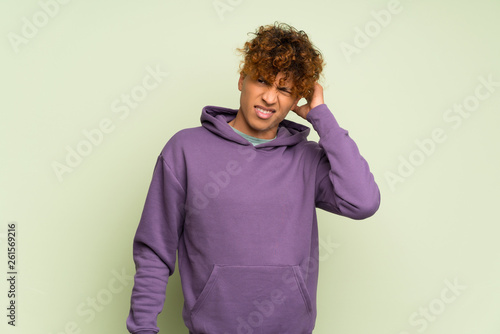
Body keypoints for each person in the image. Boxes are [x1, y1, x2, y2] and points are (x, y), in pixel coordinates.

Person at [126, 22, 380, 334]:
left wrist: (321, 116)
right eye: (262, 81)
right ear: (242, 79)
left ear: (295, 99)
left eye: (284, 89)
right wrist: (142, 329)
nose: (270, 98)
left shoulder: (307, 160)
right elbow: (154, 248)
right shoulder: (186, 150)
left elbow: (363, 202)